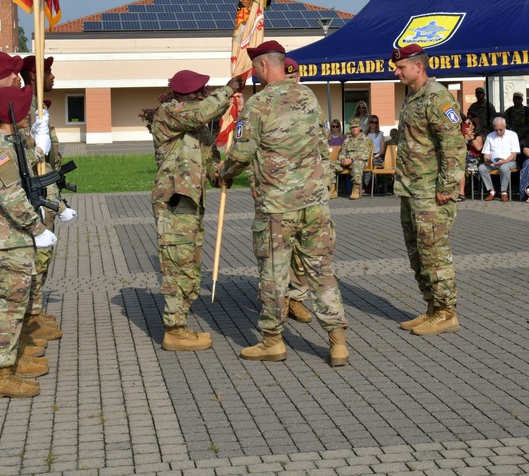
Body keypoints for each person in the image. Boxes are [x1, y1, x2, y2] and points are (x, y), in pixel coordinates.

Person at [219, 40, 350, 366]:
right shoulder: (308, 97)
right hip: (315, 204)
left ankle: (273, 342)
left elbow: (241, 152)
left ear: (263, 66)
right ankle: (338, 343)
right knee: (321, 272)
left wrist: (225, 173)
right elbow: (324, 144)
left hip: (278, 207)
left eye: (256, 70)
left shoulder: (258, 105)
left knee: (274, 276)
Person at [151, 69, 242, 351]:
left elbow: (210, 161)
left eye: (204, 91)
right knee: (177, 266)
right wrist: (227, 90)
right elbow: (203, 111)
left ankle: (181, 324)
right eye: (199, 91)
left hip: (193, 205)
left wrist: (224, 172)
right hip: (175, 205)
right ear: (184, 94)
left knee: (190, 268)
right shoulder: (169, 112)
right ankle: (174, 331)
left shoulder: (198, 128)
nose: (204, 94)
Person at [0, 85, 58, 398]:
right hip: (6, 239)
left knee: (16, 304)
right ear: (13, 114)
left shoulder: (6, 142)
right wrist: (37, 228)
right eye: (26, 109)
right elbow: (10, 194)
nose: (30, 113)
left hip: (12, 238)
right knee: (8, 308)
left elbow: (23, 165)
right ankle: (1, 376)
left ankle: (12, 361)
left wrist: (41, 146)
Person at [392, 44, 464, 336]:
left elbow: (454, 145)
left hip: (430, 192)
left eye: (400, 68)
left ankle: (447, 312)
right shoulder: (412, 97)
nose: (396, 72)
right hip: (411, 188)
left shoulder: (438, 98)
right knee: (417, 253)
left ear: (418, 67)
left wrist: (447, 187)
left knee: (434, 253)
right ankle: (433, 308)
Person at [19, 54, 76, 336]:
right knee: (36, 259)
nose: (53, 77)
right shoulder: (25, 108)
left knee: (44, 258)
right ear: (33, 76)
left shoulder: (37, 106)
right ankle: (29, 318)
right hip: (35, 192)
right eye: (48, 72)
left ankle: (35, 312)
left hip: (47, 188)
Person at [478, 117, 520, 202]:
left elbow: (514, 153)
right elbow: (486, 153)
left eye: (501, 130)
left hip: (509, 161)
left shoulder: (512, 135)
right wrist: (487, 160)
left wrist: (506, 161)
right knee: (481, 168)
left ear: (505, 126)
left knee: (504, 168)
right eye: (496, 130)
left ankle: (504, 192)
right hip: (494, 162)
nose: (498, 132)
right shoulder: (490, 136)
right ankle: (492, 191)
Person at [332, 117, 373, 200]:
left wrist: (351, 160)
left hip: (359, 162)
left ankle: (356, 189)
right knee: (330, 164)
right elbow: (342, 153)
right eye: (352, 127)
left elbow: (365, 154)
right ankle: (332, 190)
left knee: (357, 163)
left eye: (355, 127)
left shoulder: (366, 140)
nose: (353, 129)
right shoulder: (347, 140)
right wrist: (343, 160)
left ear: (360, 128)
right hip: (346, 162)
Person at [456, 117, 483, 202]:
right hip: (461, 158)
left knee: (461, 168)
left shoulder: (477, 136)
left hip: (473, 160)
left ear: (473, 127)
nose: (466, 125)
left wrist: (471, 137)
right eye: (464, 124)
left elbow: (479, 148)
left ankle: (461, 194)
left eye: (469, 123)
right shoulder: (459, 136)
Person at [363, 115, 386, 193]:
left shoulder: (380, 135)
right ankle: (362, 186)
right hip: (366, 156)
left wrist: (374, 157)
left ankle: (366, 186)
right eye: (372, 122)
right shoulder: (364, 135)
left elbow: (382, 151)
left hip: (377, 157)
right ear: (369, 123)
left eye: (376, 122)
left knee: (370, 163)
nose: (374, 124)